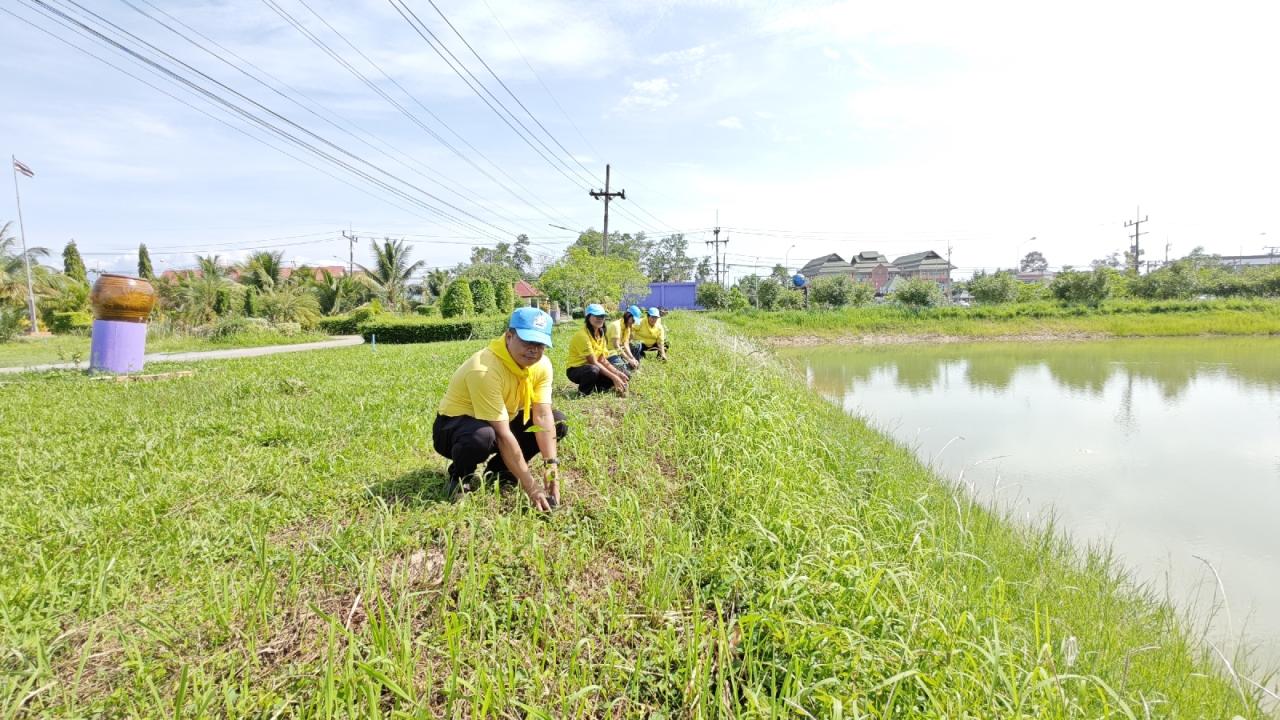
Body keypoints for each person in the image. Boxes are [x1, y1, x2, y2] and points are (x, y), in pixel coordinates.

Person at [433, 307, 566, 511]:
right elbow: (502, 434)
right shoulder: (484, 369)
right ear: (509, 336)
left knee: (556, 422)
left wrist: (551, 472)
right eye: (528, 342)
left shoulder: (541, 365)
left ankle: (500, 471)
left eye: (540, 345)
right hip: (455, 428)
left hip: (500, 419)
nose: (534, 350)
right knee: (481, 436)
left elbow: (542, 416)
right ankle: (461, 475)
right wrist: (531, 486)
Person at [566, 304, 629, 395]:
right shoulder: (582, 336)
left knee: (621, 374)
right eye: (596, 316)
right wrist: (614, 377)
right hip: (576, 369)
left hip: (593, 366)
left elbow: (602, 360)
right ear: (588, 317)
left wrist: (617, 373)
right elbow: (593, 362)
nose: (600, 318)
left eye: (602, 316)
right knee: (593, 370)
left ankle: (597, 388)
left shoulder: (601, 334)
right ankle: (583, 392)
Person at [605, 305, 642, 377]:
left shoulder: (627, 326)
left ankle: (633, 365)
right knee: (627, 375)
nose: (633, 323)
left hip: (619, 351)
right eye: (633, 320)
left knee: (637, 345)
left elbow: (626, 344)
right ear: (628, 316)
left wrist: (632, 358)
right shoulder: (616, 326)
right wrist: (628, 359)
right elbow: (616, 347)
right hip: (610, 353)